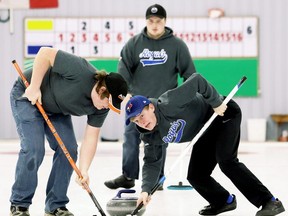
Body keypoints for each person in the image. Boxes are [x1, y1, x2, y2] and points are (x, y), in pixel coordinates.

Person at [124, 73, 285, 216]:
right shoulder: (150, 135)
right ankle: (224, 201)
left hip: (221, 113)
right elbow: (152, 162)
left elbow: (197, 80)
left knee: (227, 161)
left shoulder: (168, 103)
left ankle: (270, 201)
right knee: (196, 175)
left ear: (151, 107)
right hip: (203, 129)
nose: (142, 122)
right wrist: (145, 190)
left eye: (142, 116)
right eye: (136, 120)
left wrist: (215, 102)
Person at [9, 47, 128, 216]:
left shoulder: (101, 108)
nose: (106, 108)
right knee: (34, 149)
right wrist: (35, 87)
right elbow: (44, 53)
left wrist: (84, 170)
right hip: (28, 96)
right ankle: (19, 205)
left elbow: (91, 137)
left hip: (56, 109)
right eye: (107, 103)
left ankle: (55, 205)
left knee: (69, 150)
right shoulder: (80, 70)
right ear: (102, 90)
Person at [104, 3, 196, 190]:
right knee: (131, 136)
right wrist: (125, 93)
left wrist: (186, 98)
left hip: (164, 104)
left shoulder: (177, 46)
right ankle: (128, 176)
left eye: (158, 21)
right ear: (146, 21)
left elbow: (189, 75)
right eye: (151, 21)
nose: (154, 25)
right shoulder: (134, 44)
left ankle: (157, 179)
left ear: (165, 22)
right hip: (137, 102)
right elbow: (123, 71)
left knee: (160, 140)